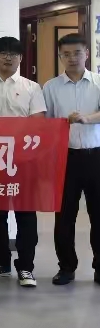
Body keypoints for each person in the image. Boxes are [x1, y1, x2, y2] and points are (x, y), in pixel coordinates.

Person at [0, 37, 45, 288]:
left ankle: (26, 267)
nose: (7, 58)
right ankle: (0, 262)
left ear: (21, 58)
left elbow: (38, 123)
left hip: (23, 160)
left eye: (13, 54)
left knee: (25, 215)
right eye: (2, 53)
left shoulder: (32, 87)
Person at [43, 33, 100, 286]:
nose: (72, 58)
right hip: (65, 158)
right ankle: (66, 267)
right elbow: (45, 123)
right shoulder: (50, 87)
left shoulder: (98, 82)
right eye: (66, 54)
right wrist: (62, 122)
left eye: (77, 52)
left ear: (86, 53)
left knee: (99, 215)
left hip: (96, 155)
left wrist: (87, 118)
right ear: (60, 56)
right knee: (64, 216)